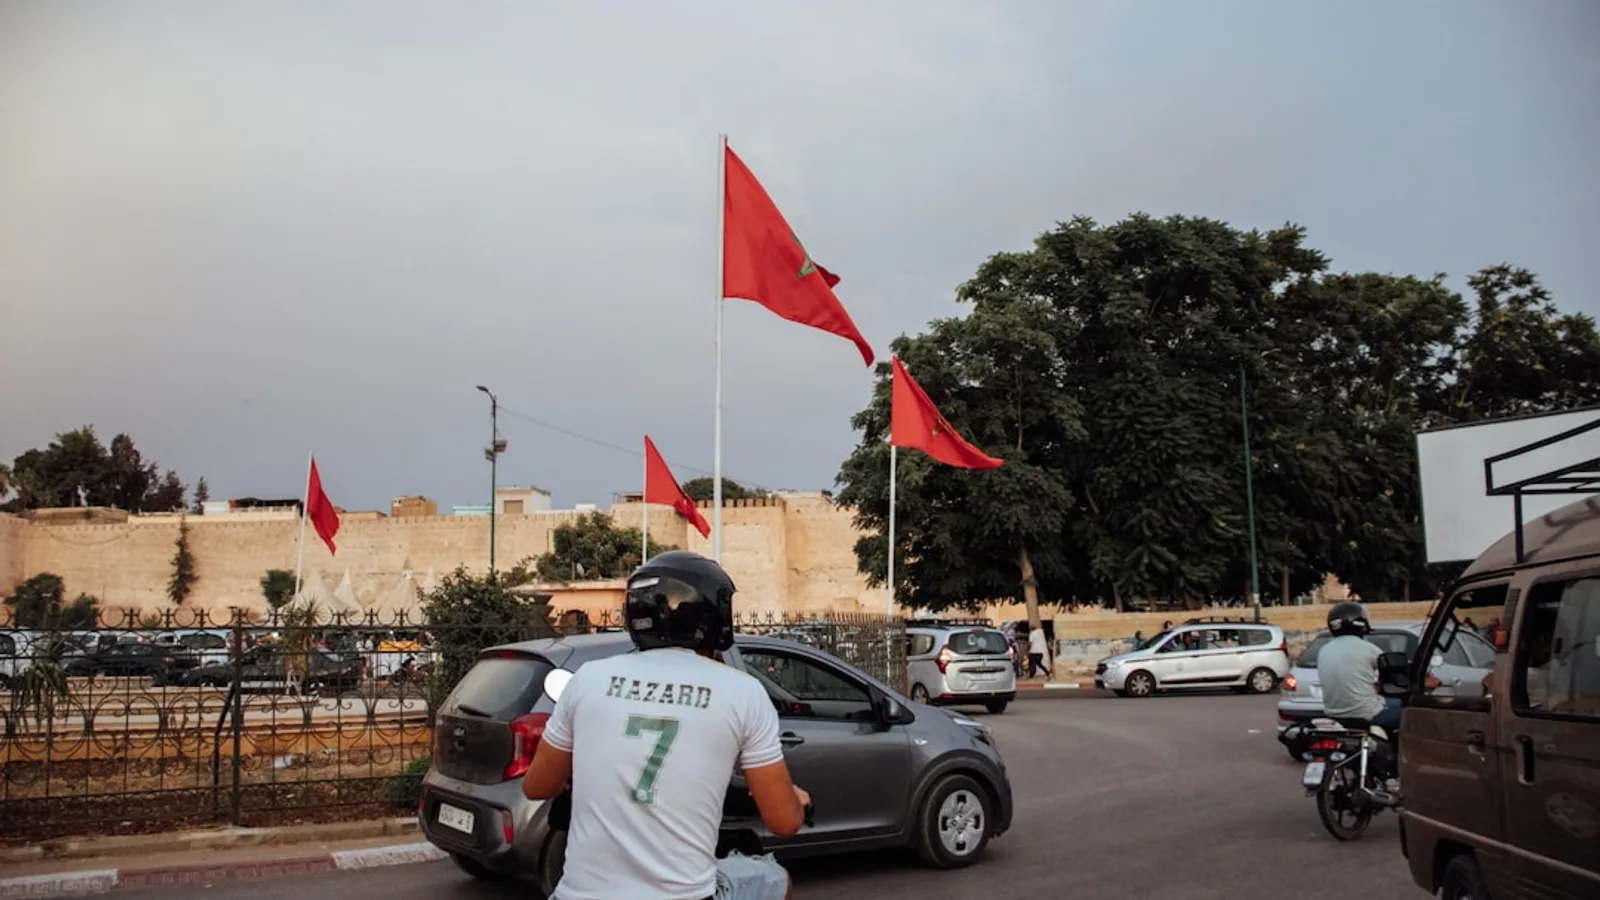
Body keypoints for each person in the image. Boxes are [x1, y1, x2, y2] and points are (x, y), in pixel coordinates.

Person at [520, 550, 810, 900]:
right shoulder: (743, 691)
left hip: (576, 895)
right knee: (774, 880)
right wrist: (796, 800)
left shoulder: (588, 679)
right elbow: (783, 823)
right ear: (712, 615)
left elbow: (536, 787)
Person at [1318, 601, 1439, 736]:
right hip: (1367, 712)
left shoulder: (1324, 649)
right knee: (1416, 714)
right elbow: (1394, 670)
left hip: (1332, 713)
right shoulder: (1366, 648)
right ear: (1359, 622)